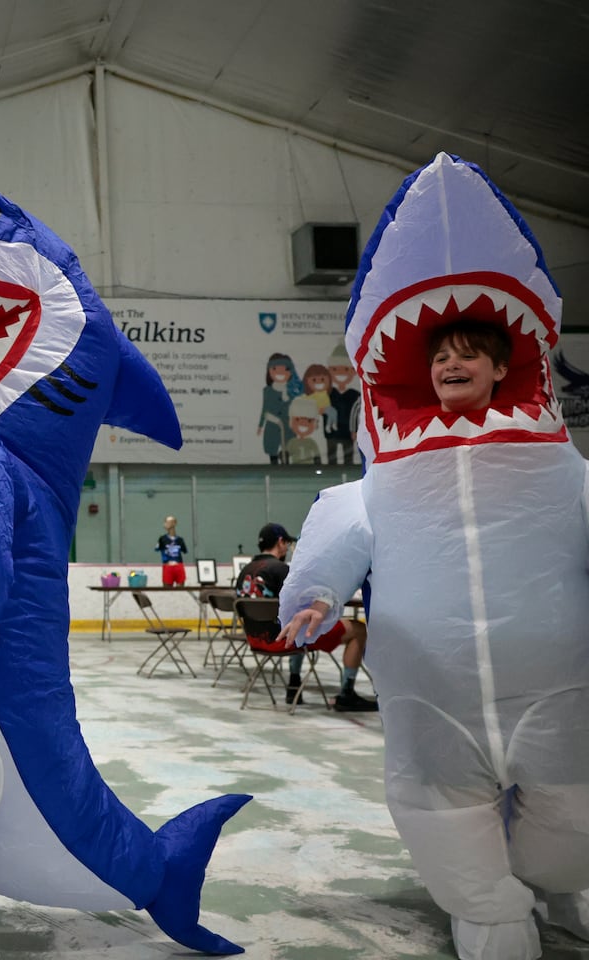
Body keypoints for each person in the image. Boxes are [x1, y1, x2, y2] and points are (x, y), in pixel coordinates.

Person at [278, 152, 589, 960]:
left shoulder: (562, 470)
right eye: (440, 353)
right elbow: (338, 534)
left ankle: (538, 878)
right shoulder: (385, 482)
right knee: (451, 829)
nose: (451, 362)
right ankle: (489, 909)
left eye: (469, 354)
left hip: (559, 699)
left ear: (500, 366)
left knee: (571, 835)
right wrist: (311, 599)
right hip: (432, 709)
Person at [236, 522, 375, 711]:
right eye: (287, 543)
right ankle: (347, 693)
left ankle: (294, 684)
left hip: (255, 639)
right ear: (280, 543)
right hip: (283, 640)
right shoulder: (281, 570)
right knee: (358, 630)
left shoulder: (245, 571)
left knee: (298, 624)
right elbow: (307, 607)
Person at [155, 515, 188, 586]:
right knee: (167, 591)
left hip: (179, 566)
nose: (165, 524)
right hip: (167, 567)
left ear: (174, 523)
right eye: (165, 522)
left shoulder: (180, 540)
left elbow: (184, 551)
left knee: (181, 590)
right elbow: (157, 549)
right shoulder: (162, 539)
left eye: (167, 522)